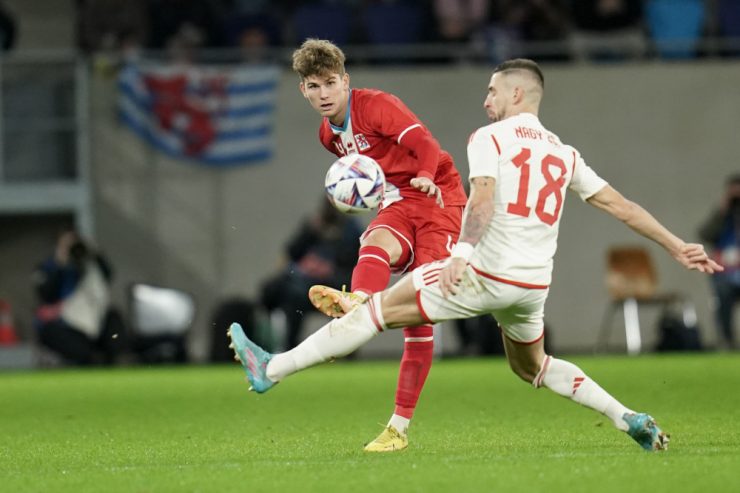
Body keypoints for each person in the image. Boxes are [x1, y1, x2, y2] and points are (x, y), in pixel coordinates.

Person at [228, 58, 723, 452]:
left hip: (482, 272)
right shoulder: (564, 152)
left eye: (491, 90)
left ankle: (270, 369)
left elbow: (481, 198)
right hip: (531, 287)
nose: (484, 98)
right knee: (532, 367)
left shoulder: (487, 138)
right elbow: (622, 206)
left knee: (371, 312)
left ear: (515, 93)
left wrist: (462, 253)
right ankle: (628, 417)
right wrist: (677, 245)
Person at [291, 39, 468, 452]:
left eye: (330, 83)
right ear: (303, 89)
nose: (323, 94)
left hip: (439, 194)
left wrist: (425, 175)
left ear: (345, 81)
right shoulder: (327, 136)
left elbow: (424, 143)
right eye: (314, 86)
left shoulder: (376, 105)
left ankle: (399, 427)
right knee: (373, 242)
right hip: (398, 201)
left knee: (421, 314)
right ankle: (360, 301)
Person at [260, 198, 362, 350]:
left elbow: (358, 263)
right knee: (276, 291)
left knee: (339, 299)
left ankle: (344, 348)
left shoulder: (351, 229)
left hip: (335, 284)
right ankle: (284, 346)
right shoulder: (313, 225)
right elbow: (289, 254)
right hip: (303, 283)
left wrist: (328, 268)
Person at [32, 230, 126, 365]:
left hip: (94, 321)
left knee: (114, 322)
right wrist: (60, 262)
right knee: (78, 349)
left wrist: (95, 252)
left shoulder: (90, 266)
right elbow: (46, 294)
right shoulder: (49, 267)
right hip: (65, 323)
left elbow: (108, 275)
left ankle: (114, 360)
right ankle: (88, 359)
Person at [698, 174, 740, 349]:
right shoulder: (723, 217)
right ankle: (727, 342)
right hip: (726, 275)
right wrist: (722, 210)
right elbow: (705, 234)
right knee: (722, 296)